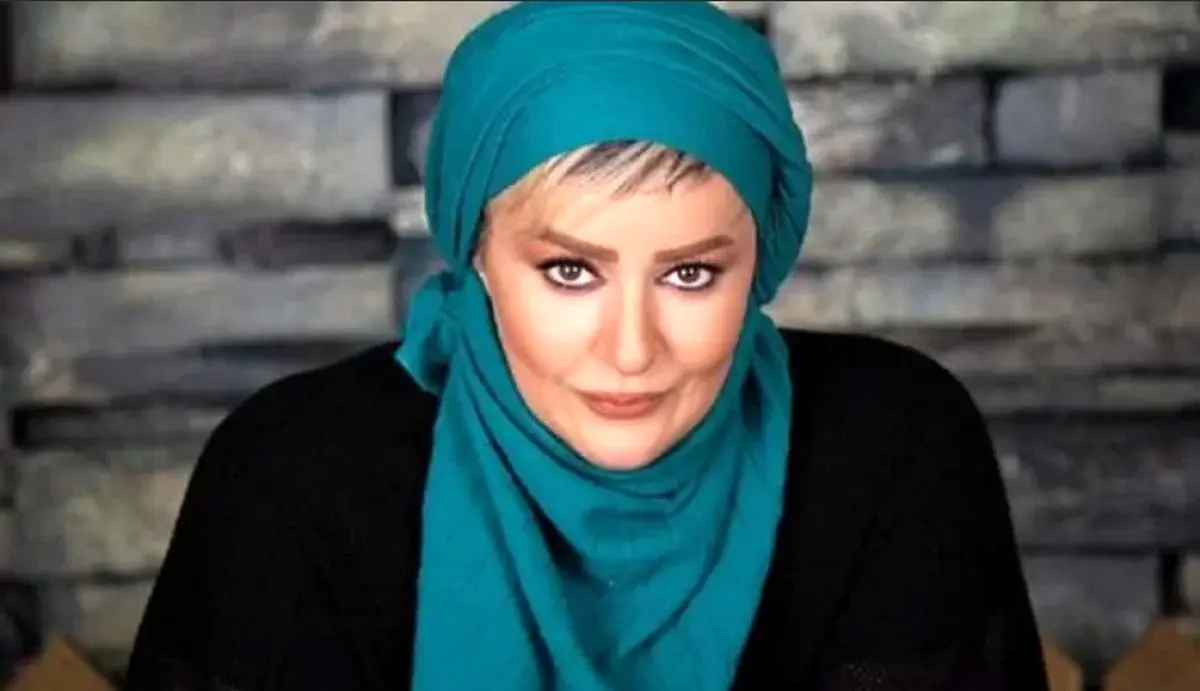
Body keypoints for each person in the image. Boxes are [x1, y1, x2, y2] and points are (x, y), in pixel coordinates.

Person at [124, 2, 1049, 690]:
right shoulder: (295, 479)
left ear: (761, 262)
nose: (633, 349)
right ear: (475, 254)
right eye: (570, 270)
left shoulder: (891, 447)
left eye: (691, 273)